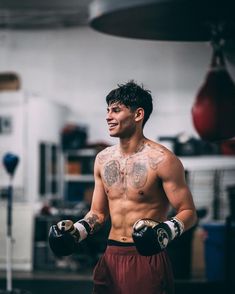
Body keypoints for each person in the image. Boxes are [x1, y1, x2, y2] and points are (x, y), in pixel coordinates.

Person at [49, 81, 198, 294]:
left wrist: (166, 230)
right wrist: (77, 232)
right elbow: (98, 214)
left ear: (138, 115)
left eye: (116, 110)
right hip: (110, 256)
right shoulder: (102, 159)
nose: (108, 116)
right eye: (108, 110)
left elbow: (189, 212)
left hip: (145, 257)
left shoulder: (163, 160)